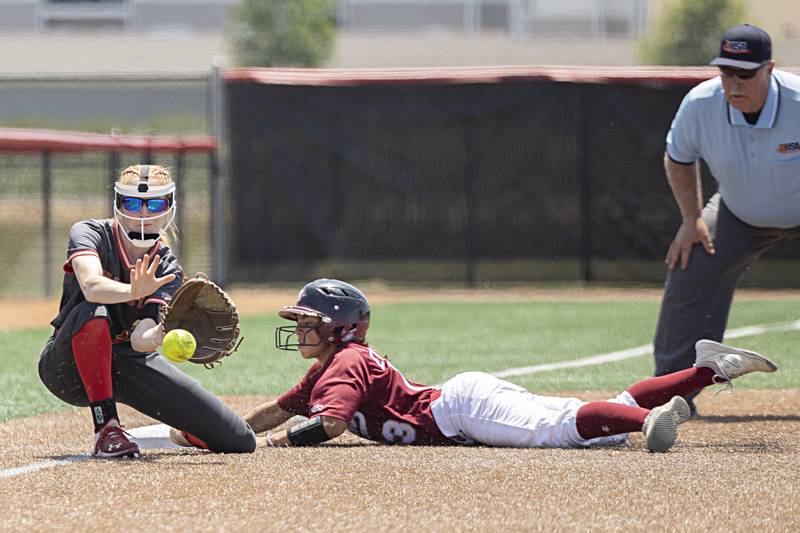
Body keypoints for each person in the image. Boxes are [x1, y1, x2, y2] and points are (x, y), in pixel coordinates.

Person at [223, 279, 776, 453]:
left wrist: (277, 447)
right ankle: (708, 368)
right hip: (462, 401)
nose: (300, 329)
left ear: (341, 326)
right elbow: (279, 410)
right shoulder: (335, 363)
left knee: (563, 430)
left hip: (460, 411)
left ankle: (648, 423)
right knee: (585, 413)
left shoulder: (343, 362)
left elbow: (332, 424)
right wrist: (225, 432)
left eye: (309, 320)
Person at [39, 164, 255, 458]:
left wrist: (161, 334)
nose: (143, 213)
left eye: (154, 204)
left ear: (168, 208)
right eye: (132, 203)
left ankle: (183, 431)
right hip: (68, 368)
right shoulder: (90, 232)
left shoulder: (167, 267)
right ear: (118, 204)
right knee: (93, 310)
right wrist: (133, 291)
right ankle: (107, 429)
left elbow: (141, 339)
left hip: (127, 363)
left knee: (238, 440)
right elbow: (90, 285)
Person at [654, 23, 800, 414]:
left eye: (746, 73)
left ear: (770, 69)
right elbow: (679, 158)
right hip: (739, 212)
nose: (734, 83)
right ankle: (671, 394)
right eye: (726, 72)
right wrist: (691, 219)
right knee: (691, 261)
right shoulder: (701, 103)